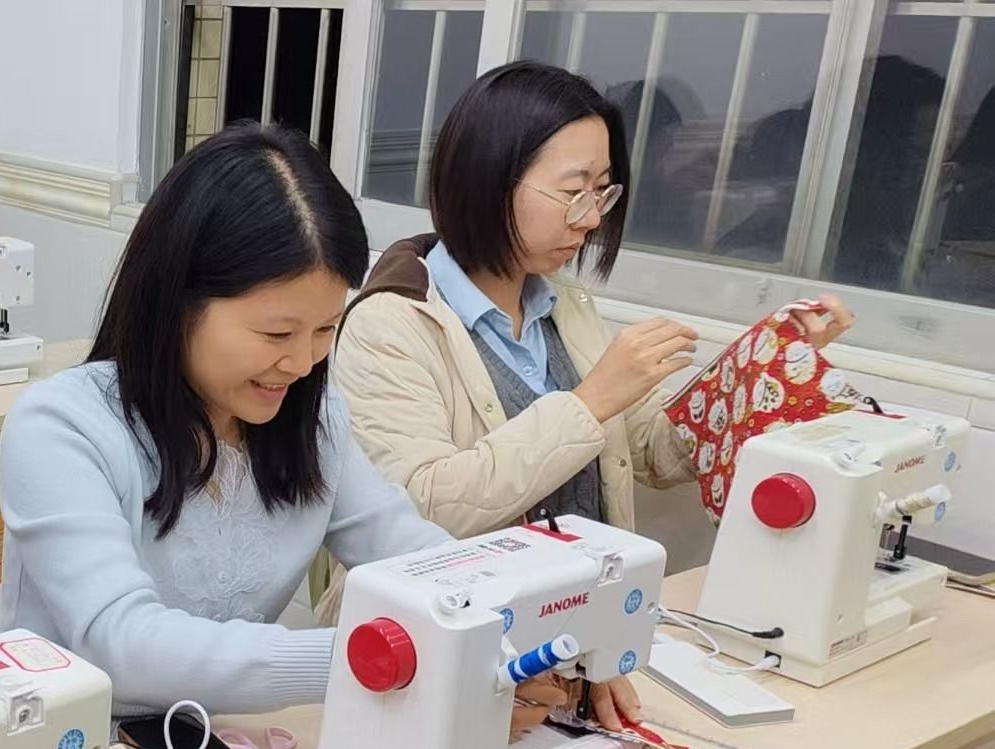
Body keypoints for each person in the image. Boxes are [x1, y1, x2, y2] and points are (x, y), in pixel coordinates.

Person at [0, 124, 635, 729]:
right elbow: (122, 644)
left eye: (325, 329)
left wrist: (535, 633)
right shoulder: (63, 428)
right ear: (177, 302)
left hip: (219, 741)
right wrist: (387, 657)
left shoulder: (312, 418)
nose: (302, 364)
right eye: (276, 334)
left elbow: (417, 554)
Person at [334, 62, 853, 540]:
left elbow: (654, 452)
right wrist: (589, 402)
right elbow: (420, 508)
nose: (592, 219)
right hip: (465, 607)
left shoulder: (563, 302)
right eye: (573, 192)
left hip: (584, 599)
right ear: (489, 180)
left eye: (602, 191)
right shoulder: (390, 323)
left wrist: (765, 368)